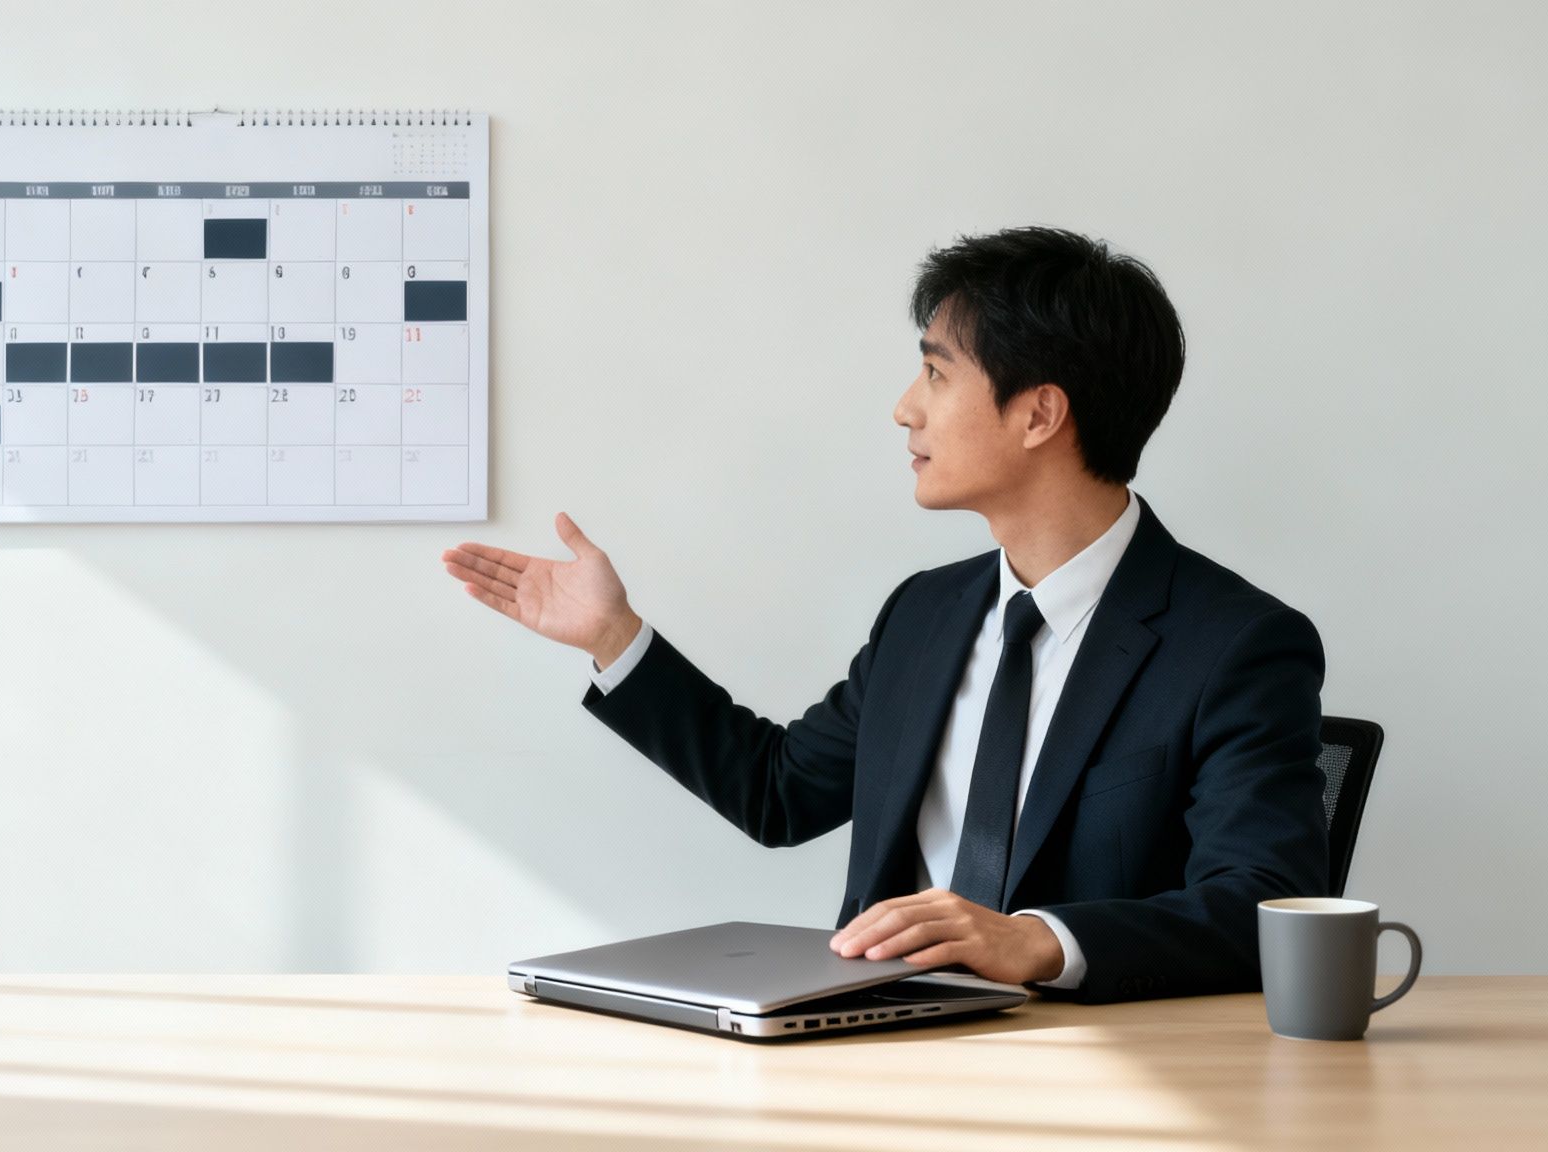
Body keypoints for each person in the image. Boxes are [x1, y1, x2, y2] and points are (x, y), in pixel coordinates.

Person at [440, 226, 1328, 1003]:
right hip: (875, 1036)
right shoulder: (925, 614)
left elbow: (1266, 904)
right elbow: (779, 794)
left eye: (936, 372)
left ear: (1040, 414)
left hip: (1088, 1065)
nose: (905, 407)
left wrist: (1038, 940)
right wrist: (614, 638)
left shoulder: (1238, 645)